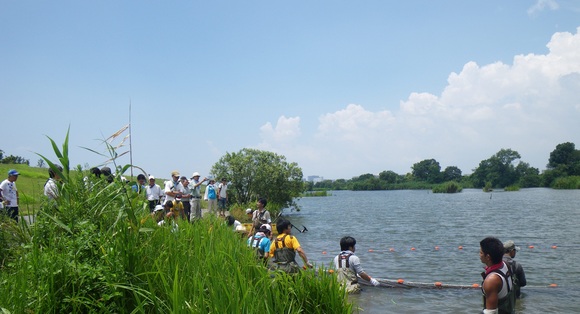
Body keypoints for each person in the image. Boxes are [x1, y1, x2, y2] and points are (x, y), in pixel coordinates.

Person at [480, 237, 515, 314]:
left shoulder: (492, 280)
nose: (479, 255)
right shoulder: (505, 265)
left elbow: (491, 312)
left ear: (488, 257)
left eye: (481, 252)